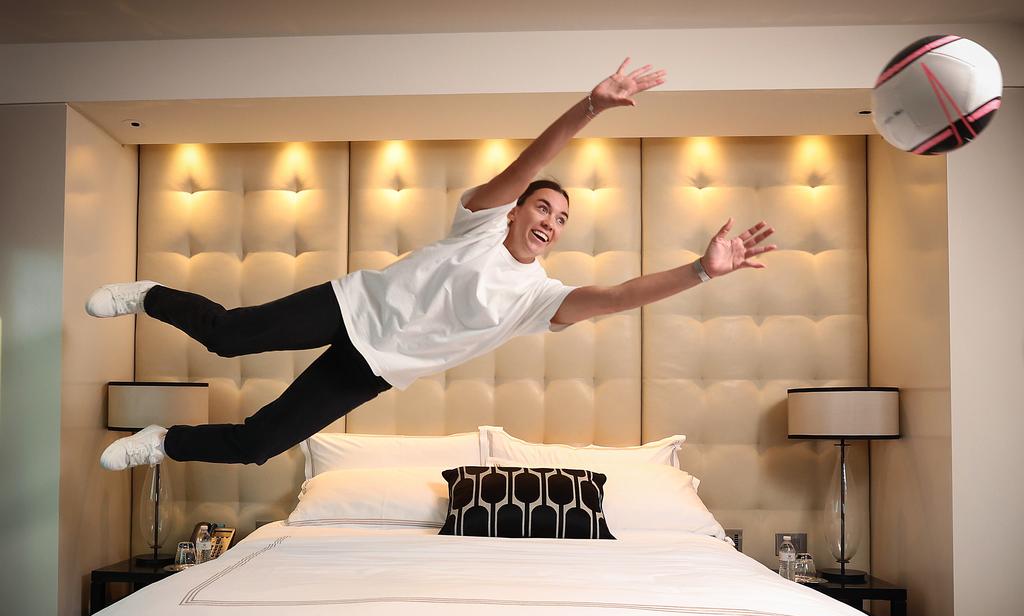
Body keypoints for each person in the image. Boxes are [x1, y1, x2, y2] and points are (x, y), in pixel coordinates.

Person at [91, 58, 775, 471]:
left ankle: (163, 443)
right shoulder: (479, 223)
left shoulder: (537, 298)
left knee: (260, 443)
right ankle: (149, 294)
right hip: (351, 305)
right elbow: (528, 161)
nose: (550, 222)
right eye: (543, 208)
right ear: (515, 211)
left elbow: (620, 294)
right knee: (229, 335)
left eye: (562, 220)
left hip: (375, 367)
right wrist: (589, 107)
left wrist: (703, 271)